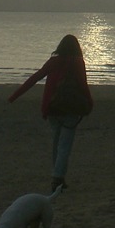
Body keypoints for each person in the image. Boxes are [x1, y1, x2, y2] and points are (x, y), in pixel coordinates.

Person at [8, 34, 94, 192]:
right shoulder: (78, 63)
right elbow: (83, 85)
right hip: (71, 108)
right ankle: (58, 178)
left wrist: (14, 96)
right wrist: (90, 103)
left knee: (56, 143)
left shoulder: (53, 62)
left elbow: (34, 78)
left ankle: (57, 177)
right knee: (64, 146)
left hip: (52, 107)